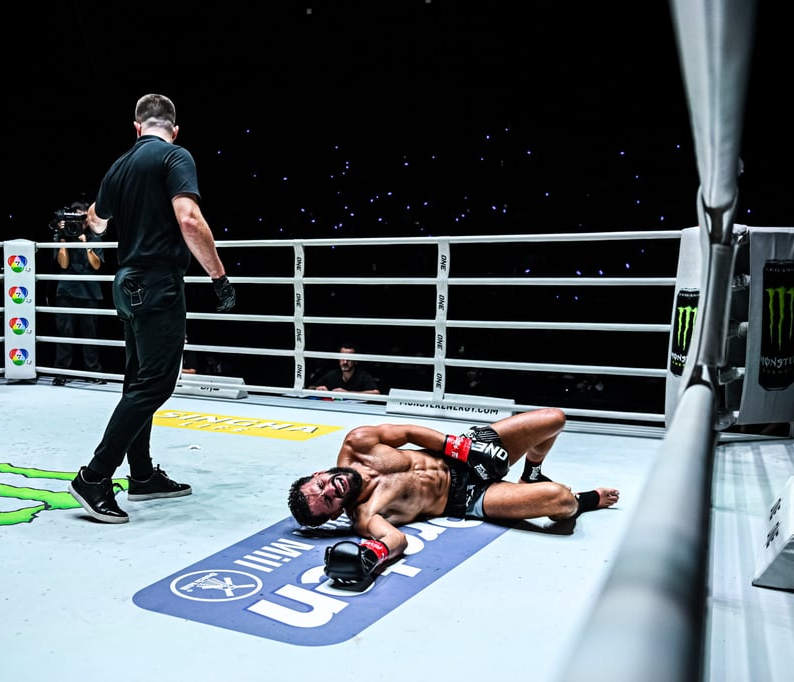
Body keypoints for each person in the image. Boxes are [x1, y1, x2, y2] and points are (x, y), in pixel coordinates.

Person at [68, 93, 237, 524]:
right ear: (174, 129)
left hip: (126, 283)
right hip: (158, 283)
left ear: (137, 127)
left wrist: (89, 217)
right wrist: (218, 276)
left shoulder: (118, 166)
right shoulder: (174, 157)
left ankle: (141, 475)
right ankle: (94, 476)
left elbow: (96, 220)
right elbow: (190, 220)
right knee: (156, 385)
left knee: (137, 382)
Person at [286, 407, 620, 590]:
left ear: (317, 474)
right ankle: (586, 501)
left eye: (321, 488)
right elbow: (395, 538)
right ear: (333, 515)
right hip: (470, 496)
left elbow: (410, 433)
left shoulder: (358, 442)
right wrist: (373, 555)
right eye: (328, 501)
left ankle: (531, 473)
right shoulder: (364, 515)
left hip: (460, 453)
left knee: (553, 420)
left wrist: (462, 447)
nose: (332, 490)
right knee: (560, 501)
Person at [49, 201, 106, 386]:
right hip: (66, 291)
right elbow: (63, 264)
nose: (80, 222)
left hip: (89, 292)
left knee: (90, 335)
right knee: (64, 333)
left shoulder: (95, 238)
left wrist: (85, 244)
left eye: (82, 218)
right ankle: (61, 373)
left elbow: (96, 265)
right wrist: (64, 239)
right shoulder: (61, 236)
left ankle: (93, 371)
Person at [308, 342, 381, 394]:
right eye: (342, 358)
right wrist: (317, 389)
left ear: (356, 361)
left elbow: (375, 392)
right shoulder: (332, 374)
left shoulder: (362, 375)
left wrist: (347, 393)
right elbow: (310, 388)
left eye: (349, 358)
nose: (345, 362)